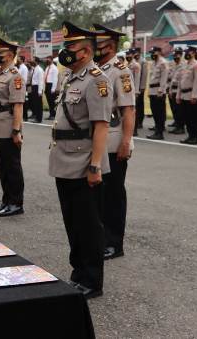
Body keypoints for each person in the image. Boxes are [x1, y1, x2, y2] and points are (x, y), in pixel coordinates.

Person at [49, 21, 112, 299]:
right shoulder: (71, 77)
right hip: (64, 159)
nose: (65, 51)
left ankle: (92, 280)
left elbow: (101, 126)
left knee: (88, 225)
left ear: (85, 52)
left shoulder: (97, 79)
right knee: (72, 223)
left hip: (85, 162)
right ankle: (78, 274)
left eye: (70, 47)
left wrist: (95, 165)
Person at [93, 24, 135, 261]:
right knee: (98, 194)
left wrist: (126, 142)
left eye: (97, 44)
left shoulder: (120, 71)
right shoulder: (96, 70)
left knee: (113, 194)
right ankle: (100, 237)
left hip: (114, 139)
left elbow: (128, 110)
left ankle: (114, 242)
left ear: (109, 45)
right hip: (97, 140)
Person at [0, 37, 26, 217]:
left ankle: (16, 202)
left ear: (10, 55)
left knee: (12, 165)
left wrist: (16, 130)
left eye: (0, 53)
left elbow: (18, 105)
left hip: (9, 123)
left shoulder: (15, 75)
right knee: (3, 166)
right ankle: (6, 199)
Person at [176, 46, 197, 145]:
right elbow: (180, 82)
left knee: (193, 118)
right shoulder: (184, 65)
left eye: (188, 52)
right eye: (185, 52)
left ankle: (195, 137)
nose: (186, 54)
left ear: (193, 53)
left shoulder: (196, 65)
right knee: (187, 117)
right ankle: (190, 136)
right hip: (183, 95)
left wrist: (194, 96)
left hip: (191, 95)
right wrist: (178, 95)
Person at [147, 46, 169, 140]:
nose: (152, 54)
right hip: (152, 91)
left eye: (154, 52)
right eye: (152, 53)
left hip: (158, 92)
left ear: (159, 52)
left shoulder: (163, 63)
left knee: (159, 113)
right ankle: (157, 131)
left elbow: (164, 78)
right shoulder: (153, 63)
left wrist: (161, 90)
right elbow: (151, 78)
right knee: (155, 112)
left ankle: (159, 133)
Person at [168, 49, 186, 134]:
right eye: (174, 56)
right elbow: (171, 77)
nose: (175, 57)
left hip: (179, 90)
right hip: (173, 89)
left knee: (179, 110)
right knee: (174, 109)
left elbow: (181, 79)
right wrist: (170, 90)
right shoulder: (174, 65)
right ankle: (177, 125)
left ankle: (181, 127)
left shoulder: (183, 65)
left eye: (176, 55)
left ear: (180, 55)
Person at [127, 50, 141, 136]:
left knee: (133, 112)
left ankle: (135, 130)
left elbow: (137, 79)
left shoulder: (136, 65)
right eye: (127, 54)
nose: (127, 56)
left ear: (132, 55)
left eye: (129, 54)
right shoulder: (127, 65)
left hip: (133, 91)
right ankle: (131, 129)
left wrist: (136, 92)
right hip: (128, 91)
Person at [135, 48, 148, 132]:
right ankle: (137, 121)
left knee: (140, 105)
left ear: (139, 53)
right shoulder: (134, 61)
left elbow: (144, 75)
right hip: (135, 87)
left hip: (140, 87)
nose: (135, 54)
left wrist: (142, 87)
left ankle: (140, 122)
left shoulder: (143, 61)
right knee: (136, 106)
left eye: (136, 52)